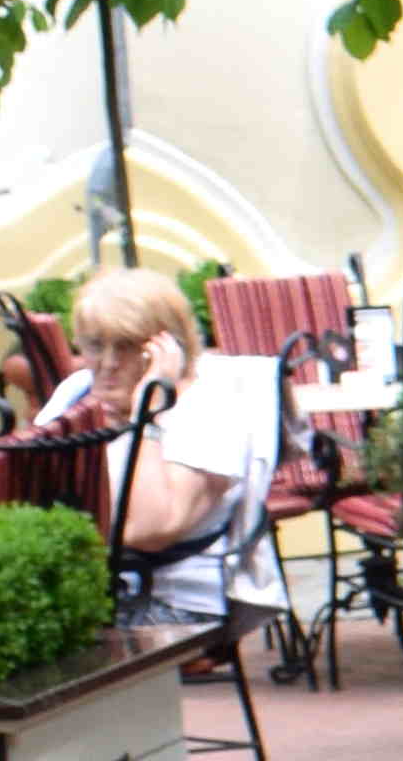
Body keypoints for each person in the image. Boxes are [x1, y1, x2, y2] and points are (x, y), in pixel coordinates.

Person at [29, 268, 281, 632]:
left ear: (168, 350)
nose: (109, 363)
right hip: (93, 592)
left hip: (170, 603)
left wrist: (144, 414)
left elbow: (151, 528)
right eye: (96, 345)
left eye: (128, 346)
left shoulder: (210, 406)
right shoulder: (77, 392)